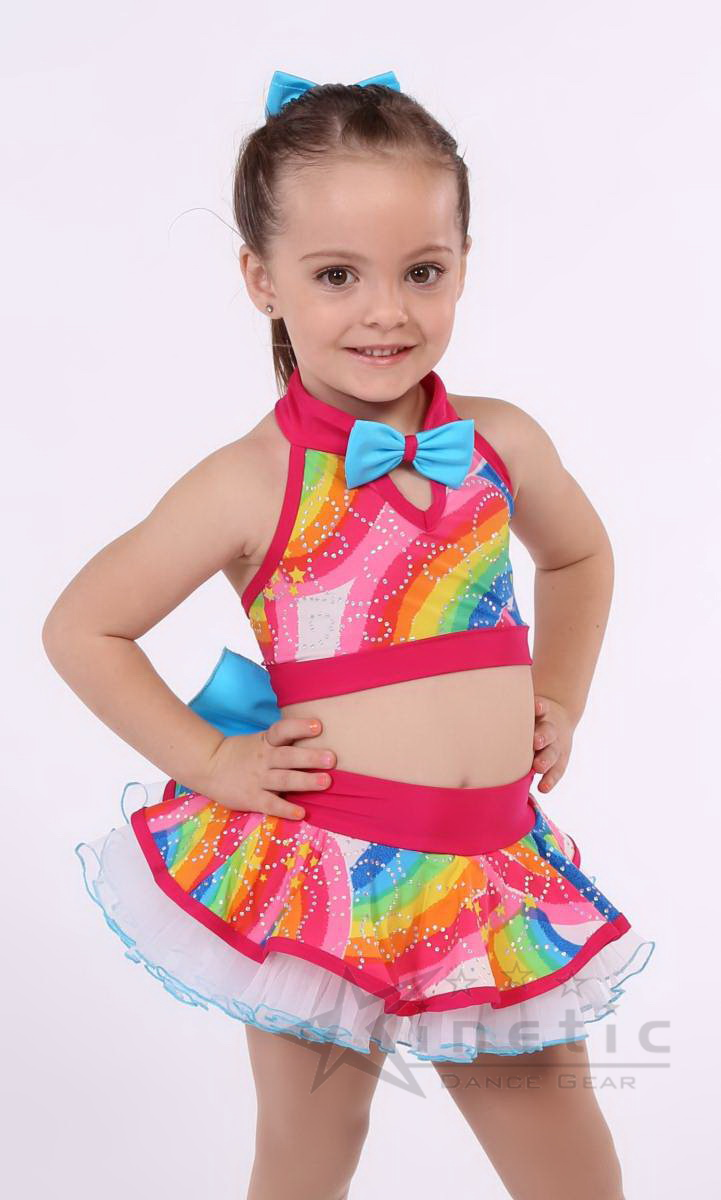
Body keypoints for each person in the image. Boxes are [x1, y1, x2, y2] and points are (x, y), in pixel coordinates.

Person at [43, 68, 655, 1200]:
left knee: (570, 1170)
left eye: (422, 271)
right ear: (260, 279)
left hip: (488, 870)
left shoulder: (500, 442)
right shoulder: (250, 479)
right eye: (337, 275)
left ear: (463, 262)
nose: (387, 311)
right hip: (321, 873)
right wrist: (213, 759)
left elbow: (579, 556)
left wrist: (560, 695)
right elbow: (83, 626)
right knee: (310, 1147)